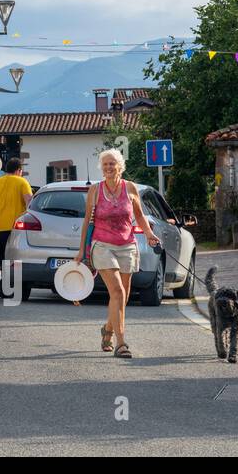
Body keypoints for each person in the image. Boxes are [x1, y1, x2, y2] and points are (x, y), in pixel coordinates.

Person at [74, 148, 160, 359]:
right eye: (105, 164)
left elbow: (140, 217)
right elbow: (87, 222)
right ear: (101, 168)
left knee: (123, 296)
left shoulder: (130, 188)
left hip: (127, 244)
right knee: (118, 292)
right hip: (102, 244)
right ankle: (121, 343)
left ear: (119, 166)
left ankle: (108, 330)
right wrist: (81, 251)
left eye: (112, 163)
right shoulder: (95, 190)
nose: (108, 167)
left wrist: (149, 234)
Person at [0, 157, 33, 259]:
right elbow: (29, 201)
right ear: (18, 170)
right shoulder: (22, 182)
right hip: (18, 226)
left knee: (5, 255)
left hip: (0, 225)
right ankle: (16, 274)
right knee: (17, 255)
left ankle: (5, 273)